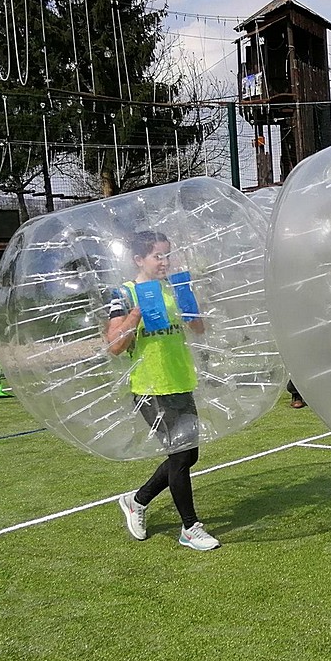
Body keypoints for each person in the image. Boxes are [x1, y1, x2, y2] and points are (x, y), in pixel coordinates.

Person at [105, 230, 220, 551]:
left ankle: (137, 500)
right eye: (158, 256)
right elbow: (114, 346)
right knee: (180, 454)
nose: (165, 261)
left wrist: (188, 301)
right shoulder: (125, 293)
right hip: (150, 387)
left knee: (189, 454)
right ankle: (190, 528)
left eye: (167, 255)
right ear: (139, 259)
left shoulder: (173, 288)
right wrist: (137, 312)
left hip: (181, 381)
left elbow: (198, 329)